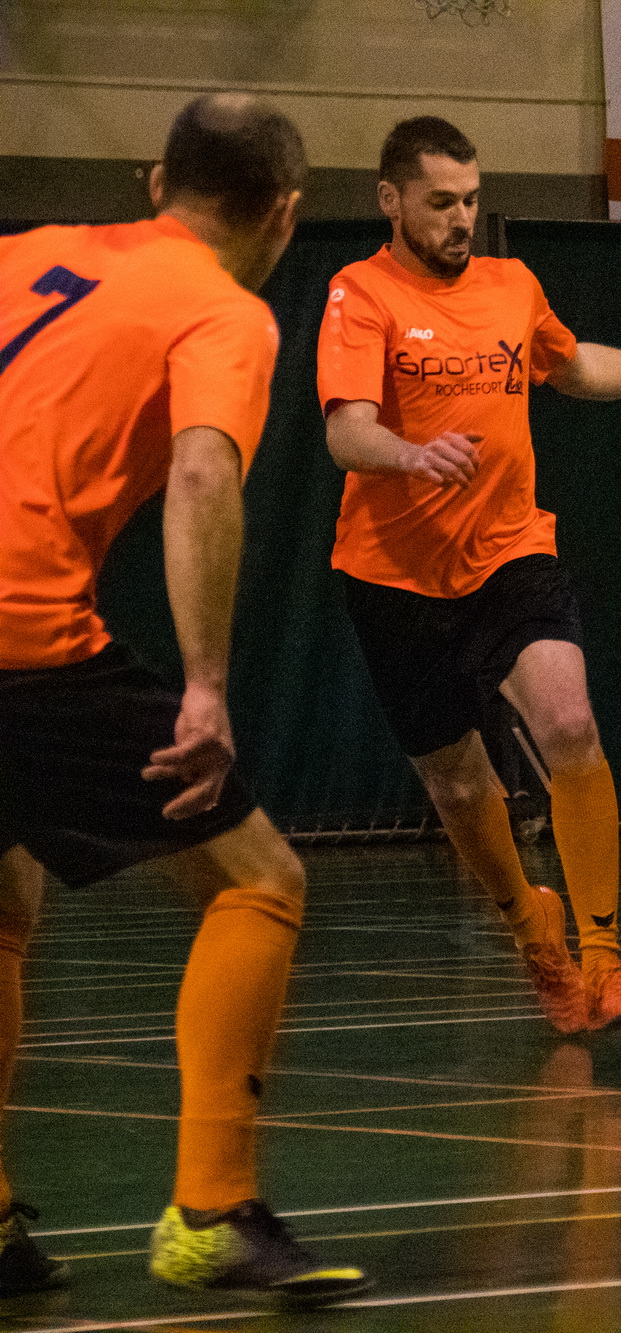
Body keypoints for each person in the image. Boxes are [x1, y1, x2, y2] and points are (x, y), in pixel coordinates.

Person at [0, 94, 373, 1303]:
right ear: (284, 213)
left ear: (155, 179)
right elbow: (205, 472)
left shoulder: (30, 253)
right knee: (258, 880)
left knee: (4, 895)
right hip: (21, 634)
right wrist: (205, 686)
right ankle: (212, 1209)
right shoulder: (224, 310)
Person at [317, 117, 621, 1035]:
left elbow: (575, 366)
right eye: (441, 202)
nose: (460, 218)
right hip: (393, 579)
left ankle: (604, 960)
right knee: (458, 787)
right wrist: (409, 454)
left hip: (511, 551)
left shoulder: (513, 284)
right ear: (391, 200)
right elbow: (345, 431)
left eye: (472, 200)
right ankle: (534, 933)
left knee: (569, 721)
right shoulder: (361, 294)